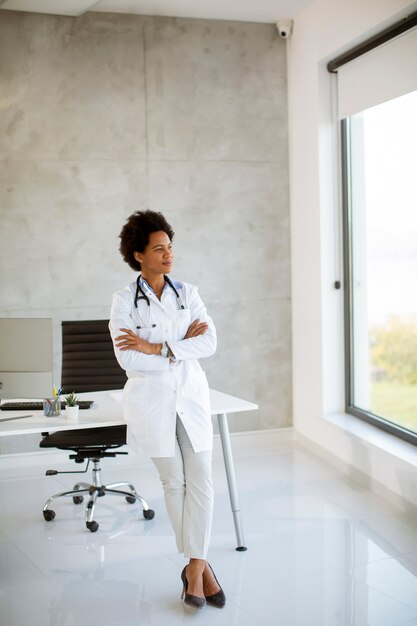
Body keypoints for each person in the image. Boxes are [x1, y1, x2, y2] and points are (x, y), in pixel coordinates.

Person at [109, 210, 225, 610]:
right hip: (151, 405)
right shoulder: (124, 301)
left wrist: (158, 347)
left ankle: (194, 568)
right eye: (159, 248)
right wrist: (180, 348)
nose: (168, 254)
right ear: (139, 255)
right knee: (174, 483)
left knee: (203, 480)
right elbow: (127, 360)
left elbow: (209, 343)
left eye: (170, 247)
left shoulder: (187, 293)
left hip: (191, 399)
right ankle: (201, 568)